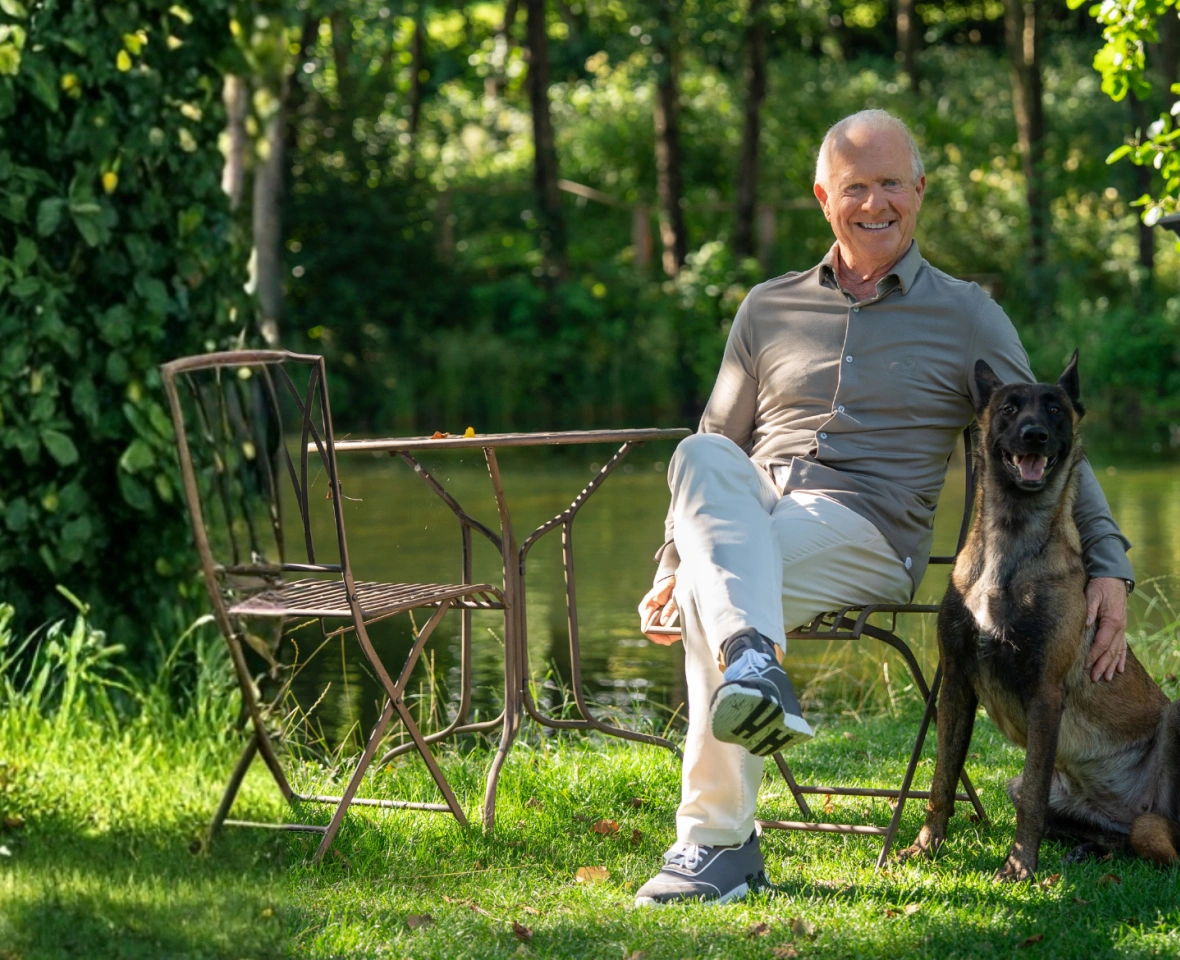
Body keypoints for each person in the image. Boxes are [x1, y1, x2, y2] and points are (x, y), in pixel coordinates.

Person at [632, 109, 1135, 907]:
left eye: (892, 184)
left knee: (711, 587)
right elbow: (714, 444)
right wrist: (671, 559)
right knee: (697, 459)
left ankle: (716, 842)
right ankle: (752, 672)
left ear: (920, 192)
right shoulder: (766, 306)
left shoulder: (968, 313)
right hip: (750, 517)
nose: (876, 203)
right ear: (823, 196)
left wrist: (1110, 563)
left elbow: (1054, 439)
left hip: (863, 528)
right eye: (856, 186)